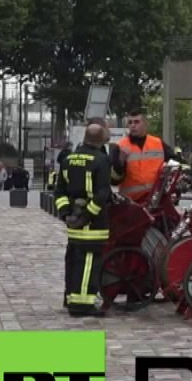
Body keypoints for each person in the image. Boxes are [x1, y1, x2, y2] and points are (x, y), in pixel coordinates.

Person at [53, 122, 113, 317]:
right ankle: (82, 304)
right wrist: (87, 215)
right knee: (88, 262)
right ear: (101, 139)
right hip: (92, 223)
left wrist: (66, 214)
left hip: (72, 222)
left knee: (73, 258)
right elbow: (102, 193)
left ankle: (70, 297)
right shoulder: (101, 160)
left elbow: (59, 191)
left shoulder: (68, 159)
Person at [110, 110, 175, 205]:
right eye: (130, 122)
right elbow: (113, 181)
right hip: (130, 203)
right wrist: (120, 162)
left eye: (136, 122)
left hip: (155, 201)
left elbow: (175, 162)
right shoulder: (120, 147)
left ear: (145, 124)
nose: (133, 125)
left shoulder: (158, 143)